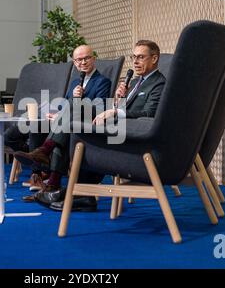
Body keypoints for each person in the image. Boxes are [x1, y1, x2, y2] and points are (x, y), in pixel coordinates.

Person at [19, 40, 166, 211]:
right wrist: (119, 101)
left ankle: (48, 158)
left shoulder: (158, 83)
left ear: (154, 58)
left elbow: (149, 115)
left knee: (72, 117)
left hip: (126, 136)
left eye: (141, 57)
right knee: (68, 130)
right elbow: (122, 110)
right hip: (109, 125)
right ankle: (58, 186)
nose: (135, 61)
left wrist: (115, 111)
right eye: (134, 57)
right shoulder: (134, 82)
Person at [11, 45, 111, 194]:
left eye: (86, 58)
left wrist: (77, 100)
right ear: (74, 62)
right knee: (39, 128)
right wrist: (58, 114)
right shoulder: (74, 82)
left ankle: (45, 152)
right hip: (67, 123)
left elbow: (99, 108)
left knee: (64, 128)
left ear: (93, 59)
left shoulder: (102, 81)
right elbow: (64, 106)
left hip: (87, 123)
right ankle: (46, 180)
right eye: (78, 60)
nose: (83, 62)